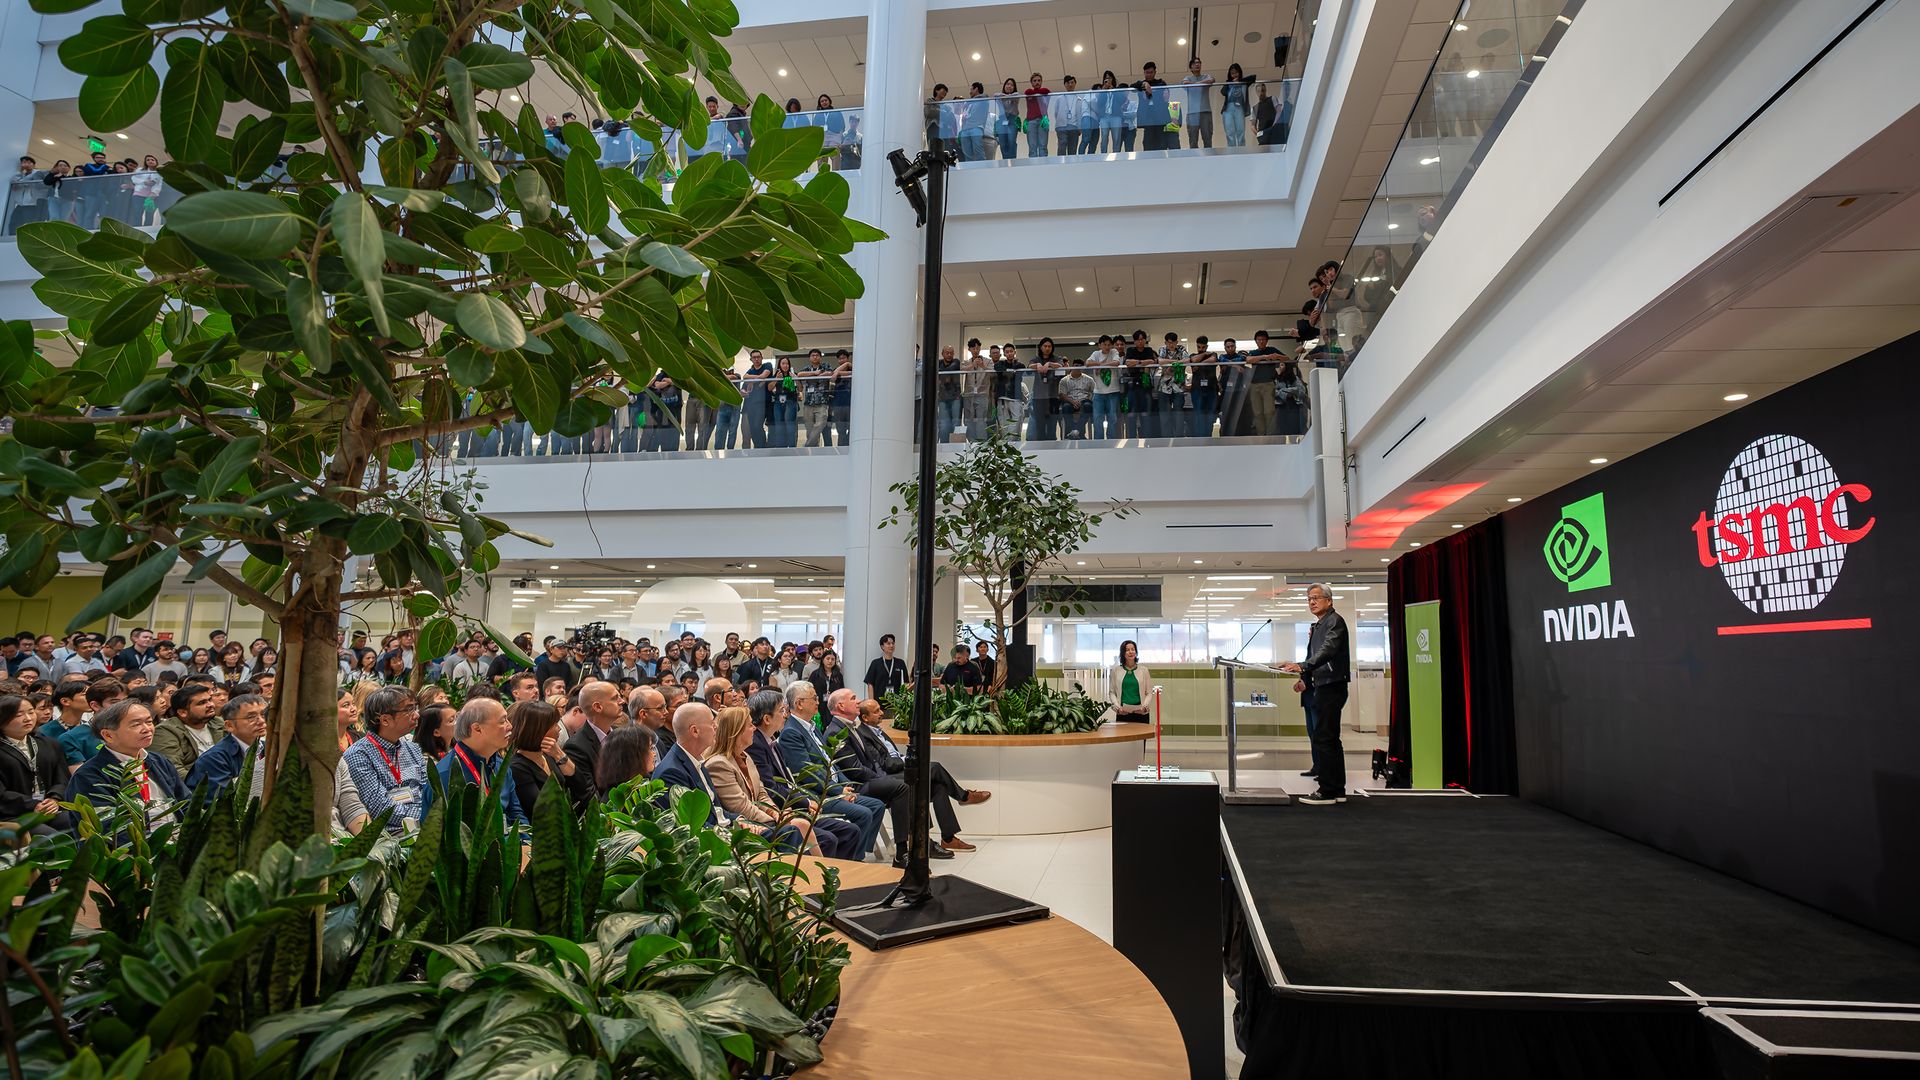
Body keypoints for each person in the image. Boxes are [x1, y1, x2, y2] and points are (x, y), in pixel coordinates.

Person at [743, 690, 863, 859]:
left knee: (850, 831)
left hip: (796, 802)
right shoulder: (756, 745)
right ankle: (822, 880)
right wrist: (805, 802)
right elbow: (772, 788)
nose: (786, 715)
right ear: (767, 719)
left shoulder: (771, 742)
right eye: (781, 711)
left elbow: (789, 781)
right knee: (829, 838)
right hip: (783, 809)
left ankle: (843, 874)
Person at [776, 682, 887, 858]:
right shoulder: (792, 733)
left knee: (876, 805)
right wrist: (839, 790)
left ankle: (856, 854)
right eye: (813, 698)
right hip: (818, 794)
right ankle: (853, 861)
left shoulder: (811, 727)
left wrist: (845, 785)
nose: (817, 702)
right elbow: (808, 772)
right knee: (864, 813)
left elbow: (831, 763)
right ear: (799, 704)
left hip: (833, 789)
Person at [706, 704, 816, 851]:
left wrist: (777, 813)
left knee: (804, 826)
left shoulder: (746, 756)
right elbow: (742, 807)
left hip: (761, 819)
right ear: (736, 731)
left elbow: (761, 794)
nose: (754, 729)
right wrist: (775, 820)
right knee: (799, 830)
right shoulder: (718, 764)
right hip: (746, 827)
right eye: (750, 725)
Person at [1281, 584, 1352, 805]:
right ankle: (1336, 789)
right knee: (1327, 738)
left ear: (1329, 601)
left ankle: (1328, 790)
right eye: (1309, 598)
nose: (1312, 602)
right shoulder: (1320, 624)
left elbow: (1327, 651)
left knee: (1324, 738)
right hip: (1321, 685)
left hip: (1332, 686)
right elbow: (1315, 654)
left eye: (1316, 598)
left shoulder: (1334, 622)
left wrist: (1302, 666)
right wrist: (1305, 678)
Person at [421, 697, 527, 829]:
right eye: (502, 721)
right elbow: (438, 836)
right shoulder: (444, 776)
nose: (509, 726)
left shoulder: (501, 765)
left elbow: (516, 814)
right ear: (477, 729)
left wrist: (526, 843)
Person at [69, 699, 189, 811]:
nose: (147, 729)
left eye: (149, 722)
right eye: (136, 725)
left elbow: (186, 803)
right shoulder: (90, 775)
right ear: (108, 735)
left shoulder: (159, 761)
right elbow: (106, 827)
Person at [342, 685, 430, 833]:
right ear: (385, 720)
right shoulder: (358, 755)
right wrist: (426, 817)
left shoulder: (413, 749)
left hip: (423, 828)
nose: (416, 715)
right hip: (390, 836)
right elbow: (380, 808)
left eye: (415, 708)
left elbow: (427, 793)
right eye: (409, 709)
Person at [0, 694, 66, 831]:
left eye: (31, 712)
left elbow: (62, 778)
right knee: (49, 836)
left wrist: (54, 798)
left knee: (80, 823)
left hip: (46, 808)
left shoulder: (48, 744)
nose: (28, 718)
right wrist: (32, 805)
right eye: (19, 715)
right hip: (12, 813)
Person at [184, 693, 267, 802]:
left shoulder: (270, 748)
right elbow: (224, 802)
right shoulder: (214, 759)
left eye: (263, 715)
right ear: (229, 725)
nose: (261, 721)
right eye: (251, 717)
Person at [508, 699, 587, 812]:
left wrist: (560, 755)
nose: (559, 728)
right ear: (539, 730)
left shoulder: (549, 756)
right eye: (555, 724)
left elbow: (581, 785)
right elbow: (541, 808)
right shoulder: (517, 767)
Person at [150, 682, 218, 771]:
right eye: (202, 703)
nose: (211, 705)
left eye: (210, 700)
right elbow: (174, 771)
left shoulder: (218, 723)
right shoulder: (165, 731)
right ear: (182, 712)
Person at [595, 725, 654, 794]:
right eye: (650, 748)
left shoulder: (640, 786)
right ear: (634, 757)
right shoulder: (622, 800)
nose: (654, 754)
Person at [1107, 639, 1154, 722]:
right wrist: (1117, 708)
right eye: (1127, 650)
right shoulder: (1116, 670)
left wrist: (1144, 707)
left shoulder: (1144, 670)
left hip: (1141, 713)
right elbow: (1112, 692)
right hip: (1123, 713)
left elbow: (1149, 692)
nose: (1131, 652)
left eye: (1133, 649)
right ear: (1123, 653)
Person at [1132, 62, 1173, 152]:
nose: (1149, 74)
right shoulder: (1141, 84)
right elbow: (1132, 86)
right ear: (1144, 73)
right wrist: (1144, 84)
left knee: (1162, 142)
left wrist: (1149, 87)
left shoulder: (1160, 83)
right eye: (1147, 72)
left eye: (1151, 72)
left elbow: (1162, 89)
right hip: (1147, 118)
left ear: (1155, 72)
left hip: (1160, 118)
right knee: (1147, 142)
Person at [1180, 57, 1216, 149]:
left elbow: (1212, 80)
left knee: (1207, 139)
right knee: (1193, 140)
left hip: (1206, 111)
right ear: (1191, 67)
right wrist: (1200, 84)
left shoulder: (1206, 76)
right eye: (1194, 63)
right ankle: (1194, 161)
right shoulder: (1188, 78)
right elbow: (1185, 83)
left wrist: (1195, 84)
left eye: (1199, 63)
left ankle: (1208, 160)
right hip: (1192, 113)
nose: (1197, 64)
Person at [863, 634, 910, 700]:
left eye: (893, 643)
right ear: (882, 646)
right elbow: (870, 684)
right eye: (888, 643)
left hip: (896, 704)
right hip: (879, 704)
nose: (891, 645)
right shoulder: (875, 663)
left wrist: (904, 699)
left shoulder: (900, 663)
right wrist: (872, 702)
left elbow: (906, 683)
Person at [1220, 64, 1257, 147]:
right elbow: (1222, 92)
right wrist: (1231, 83)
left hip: (1239, 108)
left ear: (1239, 72)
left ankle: (1241, 150)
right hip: (1228, 109)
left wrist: (1240, 80)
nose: (1234, 75)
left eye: (1236, 72)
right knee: (1229, 132)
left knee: (1241, 131)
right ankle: (1232, 151)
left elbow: (1253, 77)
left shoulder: (1244, 82)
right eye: (1232, 73)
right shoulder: (1228, 83)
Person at [1021, 72, 1051, 156]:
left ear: (1041, 82)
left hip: (1043, 120)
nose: (1037, 82)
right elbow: (1028, 91)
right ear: (1031, 83)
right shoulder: (1029, 92)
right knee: (1032, 146)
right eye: (1034, 81)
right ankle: (1033, 167)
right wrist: (1036, 92)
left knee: (1043, 145)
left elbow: (1046, 90)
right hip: (1031, 121)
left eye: (1039, 80)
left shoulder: (1045, 92)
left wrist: (1037, 92)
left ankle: (1043, 165)